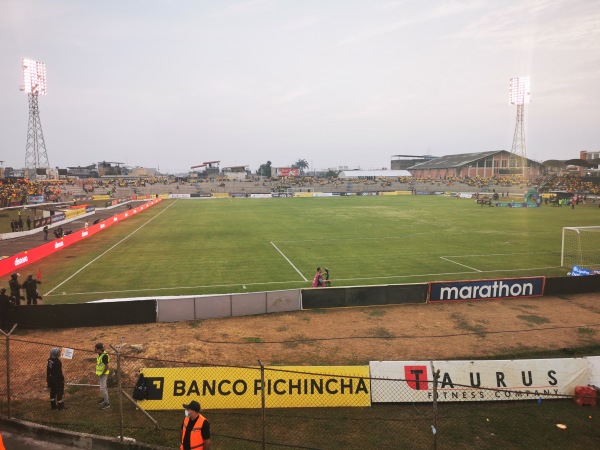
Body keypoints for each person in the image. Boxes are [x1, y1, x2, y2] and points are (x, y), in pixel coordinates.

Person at [95, 343, 110, 409]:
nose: (95, 350)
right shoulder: (100, 354)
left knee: (103, 389)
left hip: (103, 374)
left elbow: (107, 366)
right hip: (100, 373)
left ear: (99, 349)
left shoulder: (104, 356)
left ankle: (107, 403)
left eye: (96, 349)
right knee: (104, 388)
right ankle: (105, 400)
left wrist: (102, 373)